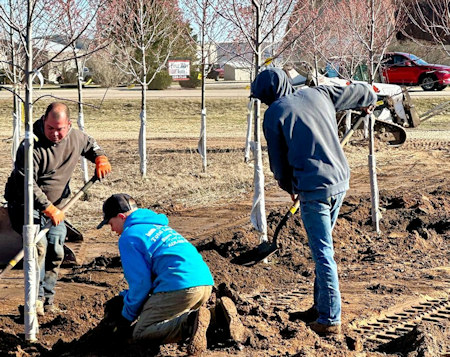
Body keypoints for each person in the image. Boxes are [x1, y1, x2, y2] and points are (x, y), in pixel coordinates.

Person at [250, 68, 376, 336]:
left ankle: (330, 319)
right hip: (340, 181)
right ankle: (320, 307)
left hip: (313, 189)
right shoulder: (320, 93)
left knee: (322, 253)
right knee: (324, 248)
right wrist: (368, 102)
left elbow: (278, 162)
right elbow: (363, 91)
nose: (264, 104)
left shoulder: (274, 114)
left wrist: (289, 188)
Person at [4, 102, 112, 315]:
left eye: (60, 129)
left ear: (69, 125)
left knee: (55, 250)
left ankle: (47, 300)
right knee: (38, 248)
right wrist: (48, 208)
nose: (55, 133)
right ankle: (32, 302)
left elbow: (91, 144)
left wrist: (100, 157)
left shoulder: (76, 137)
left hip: (58, 206)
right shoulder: (29, 146)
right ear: (44, 122)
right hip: (26, 206)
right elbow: (27, 184)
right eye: (50, 128)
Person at [97, 193, 214, 355]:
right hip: (204, 283)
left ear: (121, 216)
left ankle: (190, 321)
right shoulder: (159, 226)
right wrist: (127, 296)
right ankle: (217, 317)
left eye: (110, 223)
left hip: (180, 287)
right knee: (168, 318)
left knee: (141, 332)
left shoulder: (129, 236)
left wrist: (126, 317)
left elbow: (141, 284)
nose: (112, 229)